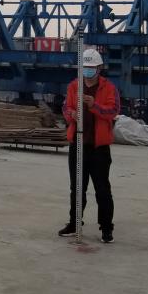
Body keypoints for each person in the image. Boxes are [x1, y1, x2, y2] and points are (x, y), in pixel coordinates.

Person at [58, 47, 120, 243]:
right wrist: (71, 115)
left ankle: (106, 227)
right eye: (85, 67)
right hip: (78, 145)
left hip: (99, 147)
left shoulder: (108, 88)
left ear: (99, 68)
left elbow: (113, 111)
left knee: (102, 189)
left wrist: (94, 105)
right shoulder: (74, 86)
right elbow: (65, 108)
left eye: (91, 68)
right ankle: (74, 222)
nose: (88, 71)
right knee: (77, 188)